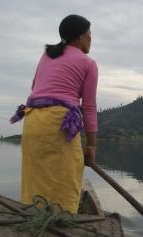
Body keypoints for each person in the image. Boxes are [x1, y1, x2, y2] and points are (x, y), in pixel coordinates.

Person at [10, 14, 98, 214]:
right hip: (60, 124)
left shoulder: (47, 55)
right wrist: (91, 145)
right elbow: (89, 107)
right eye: (89, 34)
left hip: (32, 120)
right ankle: (63, 221)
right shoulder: (88, 63)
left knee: (36, 177)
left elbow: (35, 87)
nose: (91, 38)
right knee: (67, 179)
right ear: (80, 37)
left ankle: (35, 216)